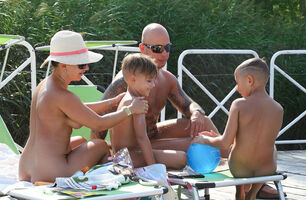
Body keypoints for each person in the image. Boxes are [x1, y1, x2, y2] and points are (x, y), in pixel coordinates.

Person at [18, 30, 149, 183]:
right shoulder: (63, 96)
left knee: (80, 140)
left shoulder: (44, 86)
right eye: (81, 64)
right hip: (51, 173)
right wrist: (130, 110)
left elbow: (77, 109)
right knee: (100, 146)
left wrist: (112, 102)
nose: (86, 68)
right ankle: (92, 181)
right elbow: (99, 123)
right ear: (64, 65)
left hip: (26, 168)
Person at [91, 23, 220, 154]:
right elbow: (100, 119)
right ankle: (233, 159)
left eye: (167, 47)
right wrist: (100, 156)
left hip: (153, 136)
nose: (164, 53)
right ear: (142, 48)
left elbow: (188, 106)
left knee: (204, 122)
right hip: (133, 148)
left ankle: (231, 157)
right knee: (198, 143)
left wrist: (196, 112)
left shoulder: (168, 79)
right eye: (157, 48)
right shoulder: (128, 80)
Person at [192, 58, 284, 200]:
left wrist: (205, 139)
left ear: (249, 80)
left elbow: (225, 143)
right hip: (266, 170)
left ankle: (239, 190)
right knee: (272, 147)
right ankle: (253, 193)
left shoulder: (239, 105)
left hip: (240, 168)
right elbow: (257, 139)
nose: (236, 88)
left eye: (237, 82)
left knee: (238, 147)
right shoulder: (278, 108)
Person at [111, 53, 186, 169]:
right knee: (181, 158)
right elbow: (142, 138)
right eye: (149, 81)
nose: (153, 85)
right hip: (129, 158)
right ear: (133, 79)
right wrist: (153, 168)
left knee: (174, 154)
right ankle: (149, 169)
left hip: (122, 156)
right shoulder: (137, 103)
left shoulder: (127, 98)